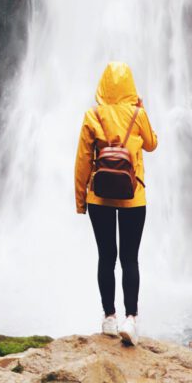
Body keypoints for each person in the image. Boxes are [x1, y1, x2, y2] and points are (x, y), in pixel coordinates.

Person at [74, 61, 158, 344]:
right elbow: (151, 144)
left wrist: (80, 201)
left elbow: (83, 163)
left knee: (106, 258)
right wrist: (141, 110)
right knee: (130, 258)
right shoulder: (137, 114)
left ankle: (109, 317)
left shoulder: (92, 115)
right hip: (134, 197)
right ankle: (131, 319)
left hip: (99, 198)